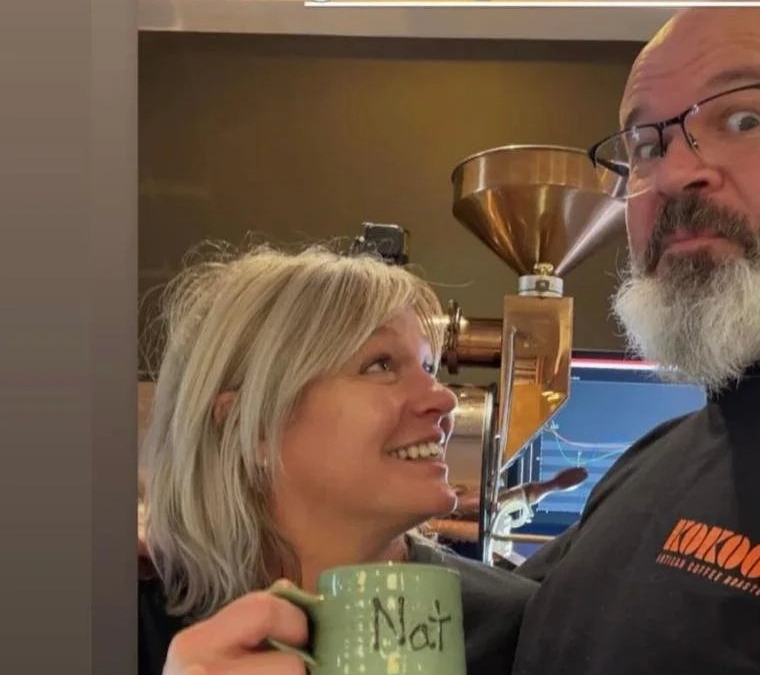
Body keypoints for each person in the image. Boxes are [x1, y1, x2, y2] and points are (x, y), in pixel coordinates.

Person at [509, 7, 760, 674]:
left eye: (743, 119)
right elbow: (515, 623)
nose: (675, 174)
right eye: (646, 145)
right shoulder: (654, 455)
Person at [139, 244, 534, 675]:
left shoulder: (518, 630)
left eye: (428, 367)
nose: (443, 398)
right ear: (251, 428)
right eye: (380, 365)